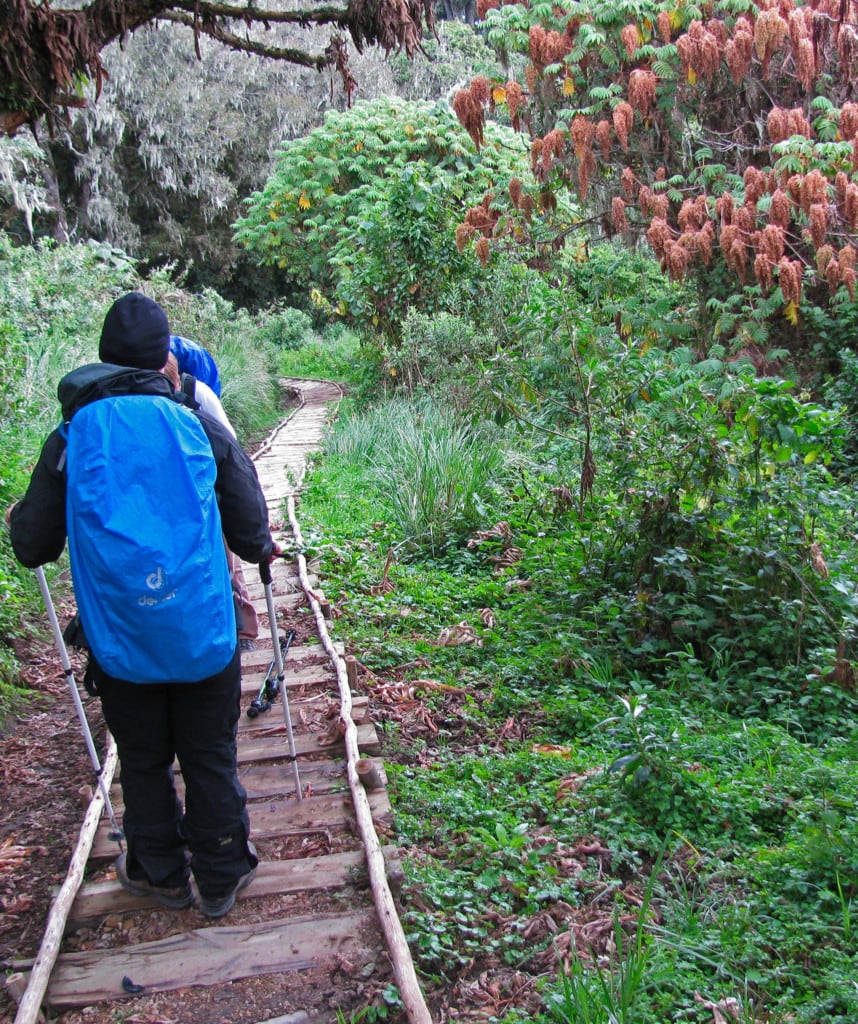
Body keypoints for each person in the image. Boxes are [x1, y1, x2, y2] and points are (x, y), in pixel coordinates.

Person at [9, 292, 276, 918]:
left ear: (104, 358)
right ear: (165, 359)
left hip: (121, 639)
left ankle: (157, 869)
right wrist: (261, 548)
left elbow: (32, 545)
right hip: (202, 631)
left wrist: (23, 519)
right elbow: (249, 521)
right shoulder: (196, 423)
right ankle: (220, 873)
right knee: (210, 754)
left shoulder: (70, 437)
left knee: (144, 759)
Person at [162, 352, 260, 652]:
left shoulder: (198, 395)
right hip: (173, 500)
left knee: (227, 558)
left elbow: (227, 446)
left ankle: (241, 626)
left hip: (205, 490)